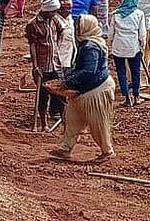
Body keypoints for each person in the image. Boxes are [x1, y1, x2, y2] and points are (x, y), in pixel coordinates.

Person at [48, 14, 116, 163]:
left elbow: (89, 71)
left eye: (79, 26)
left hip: (95, 90)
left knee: (98, 123)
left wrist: (68, 82)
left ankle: (107, 151)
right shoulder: (87, 44)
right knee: (72, 119)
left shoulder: (90, 47)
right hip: (83, 90)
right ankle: (65, 148)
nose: (76, 29)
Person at [25, 0, 68, 127]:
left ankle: (64, 121)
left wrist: (56, 48)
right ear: (46, 11)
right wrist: (35, 66)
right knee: (42, 96)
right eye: (53, 11)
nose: (55, 13)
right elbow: (32, 45)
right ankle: (43, 124)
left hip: (55, 64)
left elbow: (61, 32)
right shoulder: (33, 24)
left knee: (61, 94)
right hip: (43, 66)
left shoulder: (54, 20)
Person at [110, 0, 148, 106]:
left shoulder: (116, 14)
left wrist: (110, 43)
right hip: (133, 47)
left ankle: (127, 98)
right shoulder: (139, 14)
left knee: (121, 72)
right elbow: (142, 33)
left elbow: (111, 33)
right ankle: (136, 96)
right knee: (135, 71)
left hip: (118, 47)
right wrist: (143, 44)